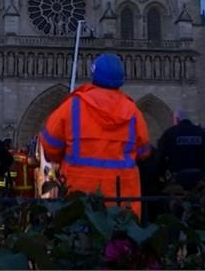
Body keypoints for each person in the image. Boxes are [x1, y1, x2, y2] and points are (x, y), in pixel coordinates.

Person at [41, 53, 151, 219]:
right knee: (120, 243)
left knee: (81, 239)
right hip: (121, 199)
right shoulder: (133, 112)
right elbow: (144, 152)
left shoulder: (73, 106)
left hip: (80, 196)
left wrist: (61, 158)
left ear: (94, 75)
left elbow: (49, 144)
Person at [157, 108, 205, 190]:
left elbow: (161, 156)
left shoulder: (170, 133)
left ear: (177, 119)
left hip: (178, 179)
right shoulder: (201, 132)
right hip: (198, 179)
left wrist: (162, 174)